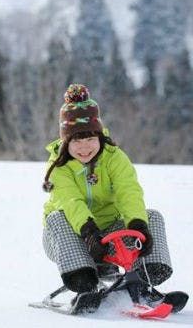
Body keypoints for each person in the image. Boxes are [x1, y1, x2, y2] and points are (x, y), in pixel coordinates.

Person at [41, 83, 173, 296]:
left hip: (111, 234)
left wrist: (137, 224)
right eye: (77, 141)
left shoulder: (114, 158)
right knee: (57, 217)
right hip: (71, 237)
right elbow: (70, 201)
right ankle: (83, 278)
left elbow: (128, 191)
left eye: (91, 139)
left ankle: (147, 274)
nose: (85, 147)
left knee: (151, 216)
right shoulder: (58, 167)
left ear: (100, 137)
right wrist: (88, 232)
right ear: (66, 141)